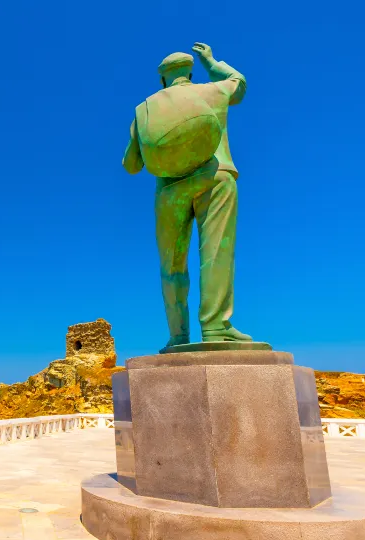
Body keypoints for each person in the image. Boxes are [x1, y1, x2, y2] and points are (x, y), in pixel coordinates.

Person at [123, 42, 254, 350]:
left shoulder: (144, 110)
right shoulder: (213, 91)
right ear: (189, 73)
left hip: (169, 190)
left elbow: (131, 166)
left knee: (171, 266)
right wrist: (212, 62)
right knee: (215, 255)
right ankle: (215, 328)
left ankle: (178, 336)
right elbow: (241, 84)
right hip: (216, 176)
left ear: (162, 80)